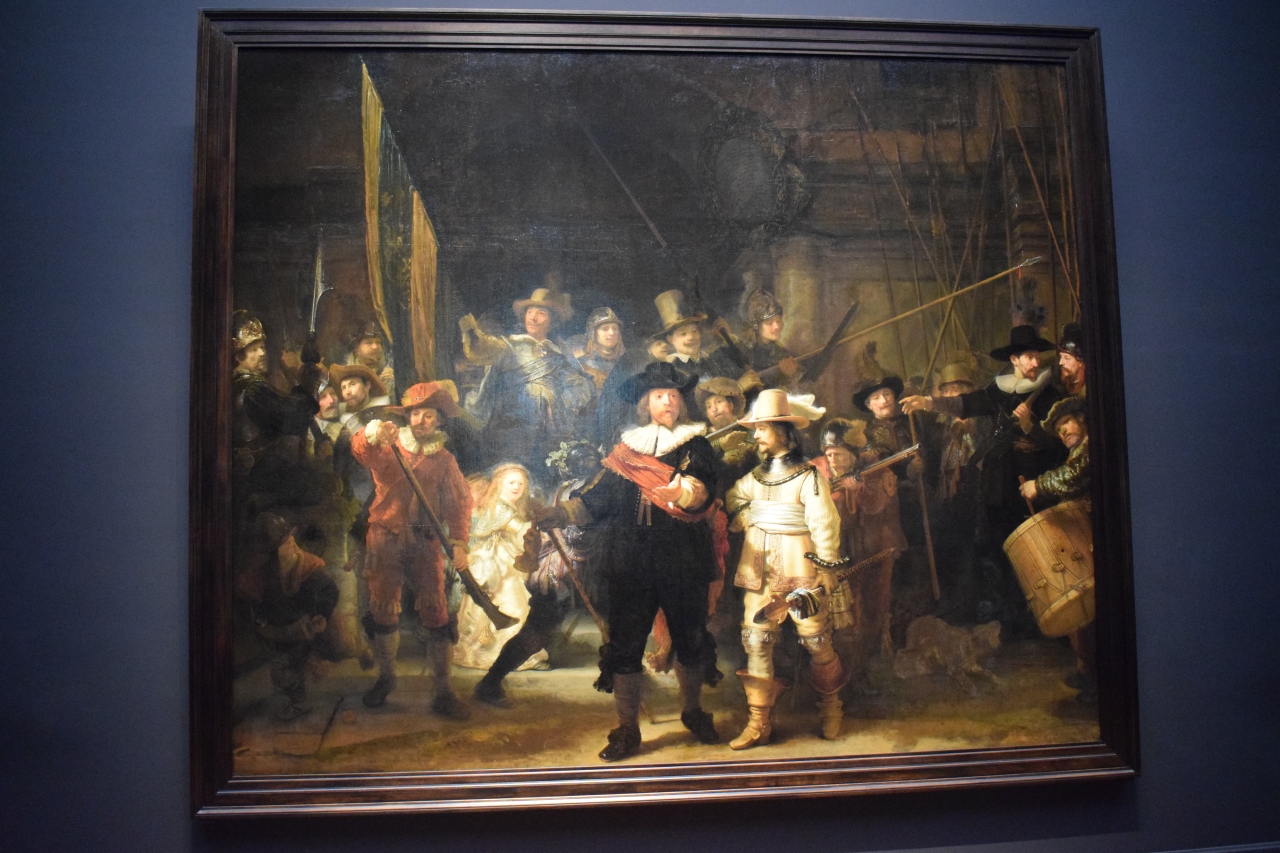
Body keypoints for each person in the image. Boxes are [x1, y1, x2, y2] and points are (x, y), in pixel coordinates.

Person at [538, 362, 723, 761]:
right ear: (645, 404)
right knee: (626, 643)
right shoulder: (626, 451)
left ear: (682, 403)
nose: (667, 402)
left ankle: (693, 712)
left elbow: (703, 490)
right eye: (658, 396)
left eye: (673, 396)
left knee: (690, 638)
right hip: (631, 561)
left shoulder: (696, 446)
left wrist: (683, 493)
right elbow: (598, 498)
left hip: (682, 557)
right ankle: (627, 729)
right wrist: (563, 513)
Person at [900, 325, 1067, 634]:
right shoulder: (999, 391)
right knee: (1000, 550)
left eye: (1036, 357)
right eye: (1029, 357)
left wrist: (1030, 428)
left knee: (1038, 550)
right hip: (999, 484)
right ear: (1014, 360)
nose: (1035, 363)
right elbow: (965, 404)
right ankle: (1011, 621)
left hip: (1034, 482)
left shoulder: (1051, 395)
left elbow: (1061, 445)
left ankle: (1044, 620)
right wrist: (927, 402)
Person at [724, 390, 847, 748]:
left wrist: (826, 566)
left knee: (816, 639)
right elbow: (734, 498)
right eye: (756, 429)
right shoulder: (754, 477)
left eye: (762, 429)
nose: (756, 435)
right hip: (758, 567)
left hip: (800, 565)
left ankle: (831, 707)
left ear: (783, 432)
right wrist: (747, 515)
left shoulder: (809, 476)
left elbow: (824, 523)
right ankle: (758, 721)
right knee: (756, 640)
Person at [349, 382, 473, 718]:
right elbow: (361, 452)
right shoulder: (388, 447)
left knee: (436, 611)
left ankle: (443, 690)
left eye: (428, 415)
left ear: (438, 421)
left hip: (425, 542)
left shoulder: (445, 460)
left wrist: (460, 541)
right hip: (385, 539)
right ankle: (386, 677)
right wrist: (373, 433)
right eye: (416, 414)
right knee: (383, 609)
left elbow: (459, 504)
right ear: (408, 417)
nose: (420, 421)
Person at [474, 442, 603, 707]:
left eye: (589, 458)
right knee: (539, 626)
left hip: (600, 565)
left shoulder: (605, 487)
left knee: (616, 620)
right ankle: (491, 681)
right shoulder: (567, 488)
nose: (583, 464)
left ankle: (622, 675)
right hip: (562, 564)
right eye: (577, 460)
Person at [459, 287, 594, 479]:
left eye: (541, 313)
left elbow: (579, 386)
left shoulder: (557, 353)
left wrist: (559, 401)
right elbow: (485, 348)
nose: (533, 318)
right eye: (530, 312)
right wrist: (473, 334)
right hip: (513, 428)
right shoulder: (511, 346)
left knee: (543, 477)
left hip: (548, 432)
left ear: (552, 320)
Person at [812, 418, 905, 685]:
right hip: (838, 555)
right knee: (846, 617)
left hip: (874, 552)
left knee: (874, 612)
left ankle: (864, 671)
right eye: (829, 454)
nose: (833, 460)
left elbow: (878, 506)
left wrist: (859, 489)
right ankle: (842, 675)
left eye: (839, 454)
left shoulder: (876, 470)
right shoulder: (818, 470)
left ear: (853, 454)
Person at [1020, 396, 1094, 699]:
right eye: (1060, 429)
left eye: (1067, 423)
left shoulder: (1090, 449)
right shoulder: (1077, 451)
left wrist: (1038, 485)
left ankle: (1097, 679)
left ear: (1082, 420)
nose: (1064, 432)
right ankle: (1088, 671)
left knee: (1091, 608)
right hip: (1084, 536)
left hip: (1094, 536)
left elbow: (1072, 478)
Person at [234, 513, 340, 721]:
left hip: (301, 624)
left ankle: (299, 703)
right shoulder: (265, 568)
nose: (288, 546)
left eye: (288, 540)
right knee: (281, 669)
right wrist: (260, 618)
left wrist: (320, 614)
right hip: (277, 627)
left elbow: (330, 590)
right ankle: (298, 701)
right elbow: (254, 593)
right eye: (282, 544)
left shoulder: (307, 565)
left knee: (291, 667)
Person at [854, 375, 935, 643]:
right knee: (897, 556)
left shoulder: (910, 422)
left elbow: (926, 449)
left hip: (918, 498)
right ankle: (896, 619)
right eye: (876, 398)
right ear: (869, 405)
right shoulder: (867, 434)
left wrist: (921, 465)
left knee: (922, 550)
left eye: (887, 394)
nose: (884, 401)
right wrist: (907, 472)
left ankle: (925, 607)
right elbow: (875, 469)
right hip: (889, 502)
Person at [454, 464, 545, 672]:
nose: (516, 487)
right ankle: (506, 656)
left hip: (503, 562)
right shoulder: (501, 508)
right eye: (511, 482)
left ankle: (501, 654)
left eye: (521, 483)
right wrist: (539, 523)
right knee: (514, 607)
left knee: (509, 606)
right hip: (494, 565)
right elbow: (521, 533)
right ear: (499, 485)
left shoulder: (507, 506)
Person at [574, 307, 627, 394]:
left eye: (615, 328)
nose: (612, 333)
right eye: (605, 329)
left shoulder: (626, 364)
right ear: (594, 333)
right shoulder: (581, 366)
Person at [329, 363, 391, 431]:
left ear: (367, 386)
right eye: (344, 387)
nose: (347, 392)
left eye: (352, 384)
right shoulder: (344, 417)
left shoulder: (383, 408)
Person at [345, 321, 396, 402]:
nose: (375, 347)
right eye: (368, 343)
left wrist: (389, 386)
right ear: (356, 349)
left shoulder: (389, 373)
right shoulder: (345, 376)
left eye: (378, 342)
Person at [1057, 322, 1087, 398]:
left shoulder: (1089, 391)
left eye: (1067, 358)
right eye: (1061, 357)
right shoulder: (1060, 389)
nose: (1061, 362)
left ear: (1080, 362)